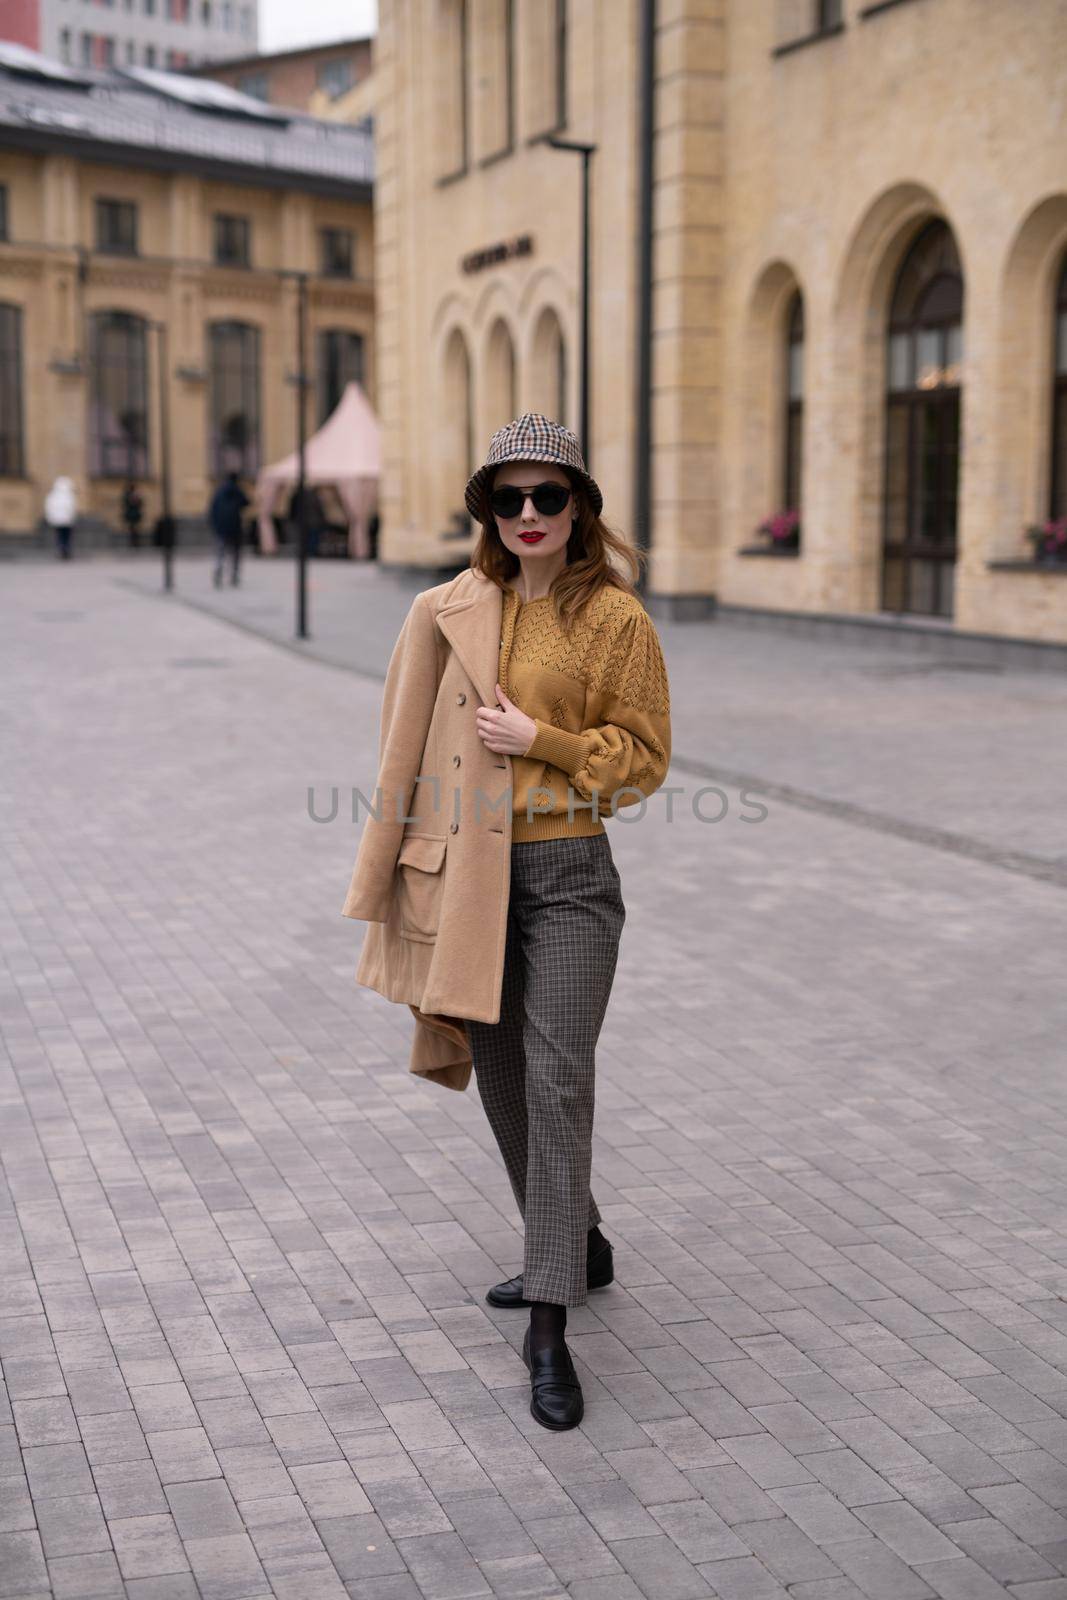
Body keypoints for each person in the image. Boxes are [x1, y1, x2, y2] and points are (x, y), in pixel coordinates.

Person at [340, 415, 672, 1432]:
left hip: (569, 870)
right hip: (469, 872)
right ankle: (574, 1239)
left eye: (548, 497)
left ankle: (547, 1322)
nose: (528, 515)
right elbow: (400, 745)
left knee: (557, 1073)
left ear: (581, 508)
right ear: (485, 508)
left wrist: (547, 740)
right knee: (498, 1070)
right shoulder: (444, 609)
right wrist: (394, 866)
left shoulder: (613, 619)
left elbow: (647, 755)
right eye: (507, 498)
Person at [208, 471, 249, 588]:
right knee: (235, 553)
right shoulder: (237, 491)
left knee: (220, 552)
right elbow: (246, 502)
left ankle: (218, 570)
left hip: (221, 527)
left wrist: (214, 525)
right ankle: (234, 574)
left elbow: (212, 509)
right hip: (235, 527)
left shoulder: (219, 492)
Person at [44, 475, 78, 560]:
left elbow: (49, 507)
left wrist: (50, 518)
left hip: (57, 521)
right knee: (66, 536)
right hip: (67, 521)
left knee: (60, 536)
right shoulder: (69, 495)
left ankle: (61, 549)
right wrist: (71, 517)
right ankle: (65, 550)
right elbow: (72, 508)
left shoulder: (52, 495)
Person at [121, 481, 144, 549]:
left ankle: (135, 542)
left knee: (135, 528)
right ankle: (133, 542)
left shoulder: (136, 494)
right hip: (131, 514)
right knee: (132, 528)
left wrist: (136, 501)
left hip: (135, 514)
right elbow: (126, 503)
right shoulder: (127, 495)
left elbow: (140, 503)